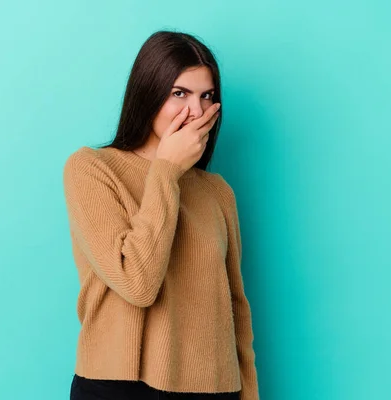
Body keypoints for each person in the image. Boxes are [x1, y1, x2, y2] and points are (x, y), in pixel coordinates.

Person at [62, 30, 259, 400]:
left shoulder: (217, 192)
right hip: (120, 386)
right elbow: (137, 282)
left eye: (207, 96)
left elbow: (236, 307)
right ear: (149, 93)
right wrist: (166, 170)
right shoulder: (92, 169)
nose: (196, 112)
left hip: (214, 388)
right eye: (179, 93)